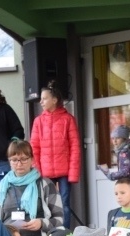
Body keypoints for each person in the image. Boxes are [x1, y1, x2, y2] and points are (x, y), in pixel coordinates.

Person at [31, 81, 81, 228]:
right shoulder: (38, 121)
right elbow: (34, 147)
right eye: (41, 98)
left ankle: (64, 235)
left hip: (64, 171)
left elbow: (75, 147)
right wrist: (37, 171)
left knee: (64, 203)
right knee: (46, 204)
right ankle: (49, 234)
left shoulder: (68, 119)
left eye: (44, 98)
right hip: (45, 172)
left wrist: (73, 174)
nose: (41, 101)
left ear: (55, 100)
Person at [100, 125, 130, 201]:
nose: (114, 141)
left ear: (124, 138)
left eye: (118, 138)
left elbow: (128, 171)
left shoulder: (126, 152)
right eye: (113, 138)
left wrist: (112, 176)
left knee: (129, 208)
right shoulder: (129, 149)